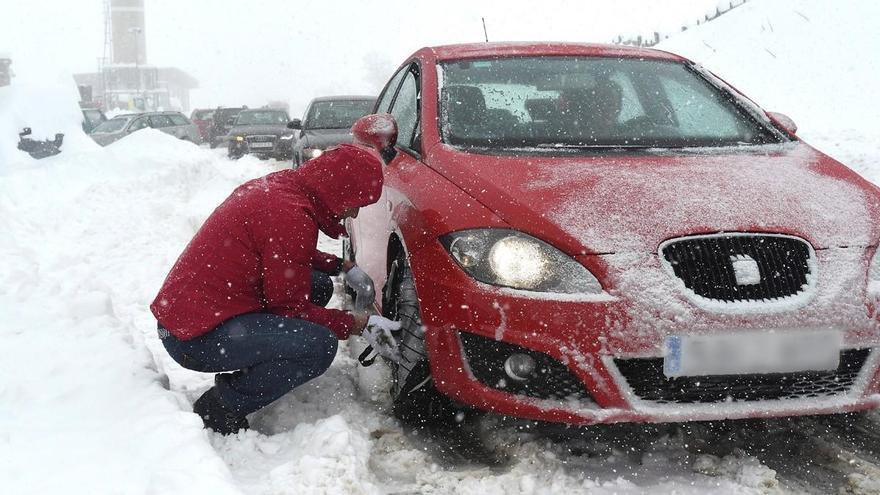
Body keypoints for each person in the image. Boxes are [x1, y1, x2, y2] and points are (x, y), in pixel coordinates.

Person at [151, 114, 401, 435]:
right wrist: (353, 323)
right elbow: (290, 308)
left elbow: (285, 254)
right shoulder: (290, 215)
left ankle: (261, 365)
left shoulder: (286, 191)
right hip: (194, 337)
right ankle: (221, 405)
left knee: (319, 286)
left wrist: (341, 266)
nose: (353, 213)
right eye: (355, 204)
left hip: (193, 317)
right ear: (339, 191)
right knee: (319, 346)